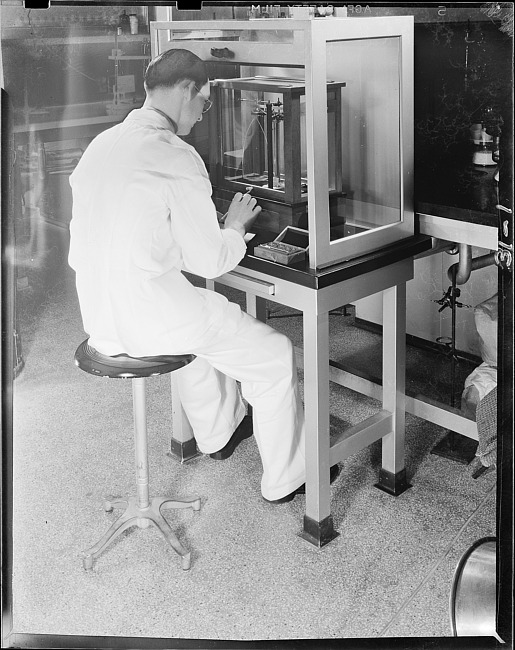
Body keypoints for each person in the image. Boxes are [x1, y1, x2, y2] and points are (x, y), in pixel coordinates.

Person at [68, 48, 338, 503]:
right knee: (272, 352)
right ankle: (287, 478)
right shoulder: (175, 155)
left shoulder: (103, 143)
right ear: (188, 90)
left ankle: (219, 433)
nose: (202, 112)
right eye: (205, 102)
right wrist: (233, 227)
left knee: (206, 319)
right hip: (149, 320)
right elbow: (211, 262)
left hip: (100, 320)